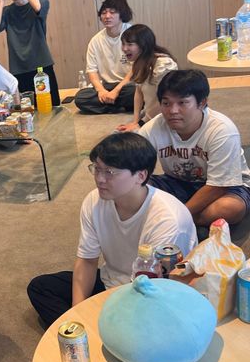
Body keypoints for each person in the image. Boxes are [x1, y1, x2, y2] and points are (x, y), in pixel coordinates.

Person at [28, 132, 197, 327]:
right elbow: (87, 261)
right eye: (97, 169)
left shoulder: (167, 220)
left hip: (148, 294)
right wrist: (78, 315)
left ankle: (100, 331)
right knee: (40, 288)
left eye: (109, 172)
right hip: (111, 281)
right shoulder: (94, 201)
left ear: (140, 176)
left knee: (149, 327)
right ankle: (90, 330)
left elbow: (158, 290)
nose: (99, 179)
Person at [139, 69, 250, 227]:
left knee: (230, 208)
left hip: (226, 187)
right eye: (166, 103)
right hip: (177, 182)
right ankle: (194, 219)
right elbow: (131, 161)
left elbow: (218, 187)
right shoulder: (154, 127)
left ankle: (178, 218)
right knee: (133, 185)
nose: (173, 111)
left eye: (182, 103)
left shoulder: (222, 130)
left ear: (202, 103)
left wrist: (179, 216)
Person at [0, 0, 60, 106]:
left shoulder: (41, 0)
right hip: (19, 68)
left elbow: (38, 8)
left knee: (51, 106)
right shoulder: (7, 11)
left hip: (42, 66)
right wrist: (2, 0)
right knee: (28, 109)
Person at [74, 0, 135, 114]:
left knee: (136, 92)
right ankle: (120, 106)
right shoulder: (95, 40)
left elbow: (136, 69)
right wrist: (101, 91)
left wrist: (116, 91)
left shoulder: (133, 34)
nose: (107, 16)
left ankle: (111, 105)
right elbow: (92, 70)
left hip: (128, 85)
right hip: (107, 86)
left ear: (122, 14)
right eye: (104, 13)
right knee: (81, 98)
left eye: (112, 12)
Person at [116, 24, 178, 131]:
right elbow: (138, 92)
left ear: (143, 45)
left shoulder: (163, 65)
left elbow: (166, 101)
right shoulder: (139, 62)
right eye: (123, 44)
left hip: (166, 118)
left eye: (130, 44)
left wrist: (141, 124)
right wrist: (135, 121)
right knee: (119, 133)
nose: (125, 49)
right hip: (149, 116)